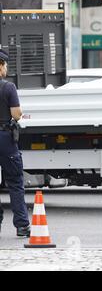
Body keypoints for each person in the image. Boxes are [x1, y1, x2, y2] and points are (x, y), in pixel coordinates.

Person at [0, 49, 30, 237]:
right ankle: (21, 225)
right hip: (4, 138)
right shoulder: (8, 87)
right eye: (5, 65)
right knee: (15, 182)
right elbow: (16, 114)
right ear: (0, 65)